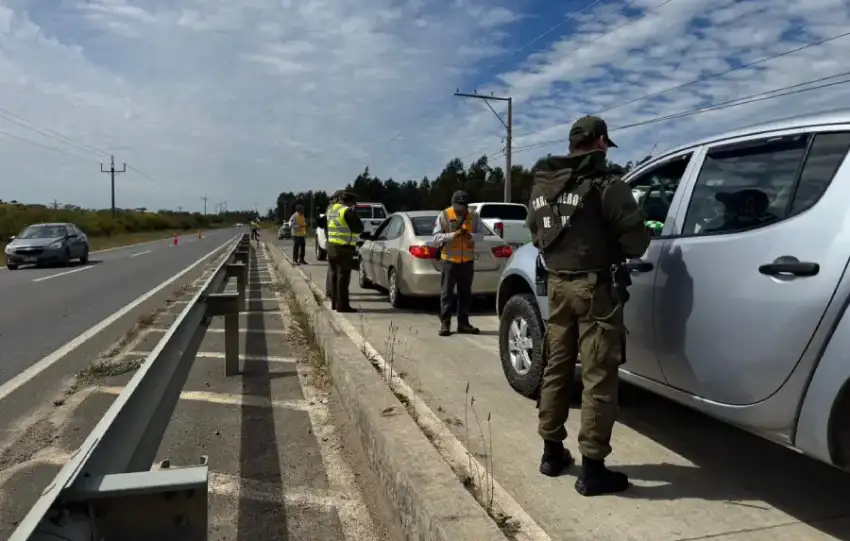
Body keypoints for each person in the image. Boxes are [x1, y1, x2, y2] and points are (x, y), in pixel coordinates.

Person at [528, 115, 650, 496]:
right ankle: (593, 470)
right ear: (599, 143)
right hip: (595, 291)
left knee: (556, 367)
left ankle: (551, 454)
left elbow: (536, 233)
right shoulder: (606, 185)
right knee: (598, 376)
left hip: (557, 287)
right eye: (605, 145)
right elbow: (637, 242)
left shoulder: (543, 185)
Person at [431, 190, 483, 337]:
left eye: (462, 207)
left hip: (467, 261)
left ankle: (463, 323)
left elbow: (481, 236)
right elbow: (435, 238)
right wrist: (452, 236)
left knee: (465, 294)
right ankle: (445, 324)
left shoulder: (474, 216)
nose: (459, 210)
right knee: (446, 293)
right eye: (457, 207)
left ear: (467, 206)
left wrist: (471, 236)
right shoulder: (444, 215)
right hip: (449, 261)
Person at [326, 191, 364, 312]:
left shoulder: (331, 210)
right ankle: (343, 305)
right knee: (343, 277)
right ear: (350, 202)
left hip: (331, 246)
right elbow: (359, 228)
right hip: (344, 248)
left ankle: (335, 304)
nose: (353, 205)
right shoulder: (347, 211)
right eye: (353, 203)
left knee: (334, 276)